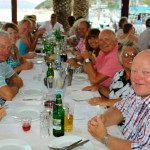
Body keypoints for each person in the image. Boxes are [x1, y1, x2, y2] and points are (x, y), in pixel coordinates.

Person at [88, 49, 150, 149]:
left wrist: (105, 138)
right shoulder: (137, 94)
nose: (137, 78)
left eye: (146, 72)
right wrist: (103, 119)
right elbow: (120, 108)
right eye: (134, 71)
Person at [87, 40, 140, 107]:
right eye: (126, 55)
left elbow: (132, 102)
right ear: (120, 59)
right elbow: (113, 94)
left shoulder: (141, 78)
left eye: (134, 54)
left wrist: (106, 101)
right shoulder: (119, 74)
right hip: (113, 111)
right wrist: (99, 87)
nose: (131, 58)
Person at [0, 30, 23, 106]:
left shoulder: (2, 62)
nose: (6, 52)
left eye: (9, 47)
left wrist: (10, 87)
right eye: (2, 47)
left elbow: (15, 77)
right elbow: (8, 95)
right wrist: (16, 87)